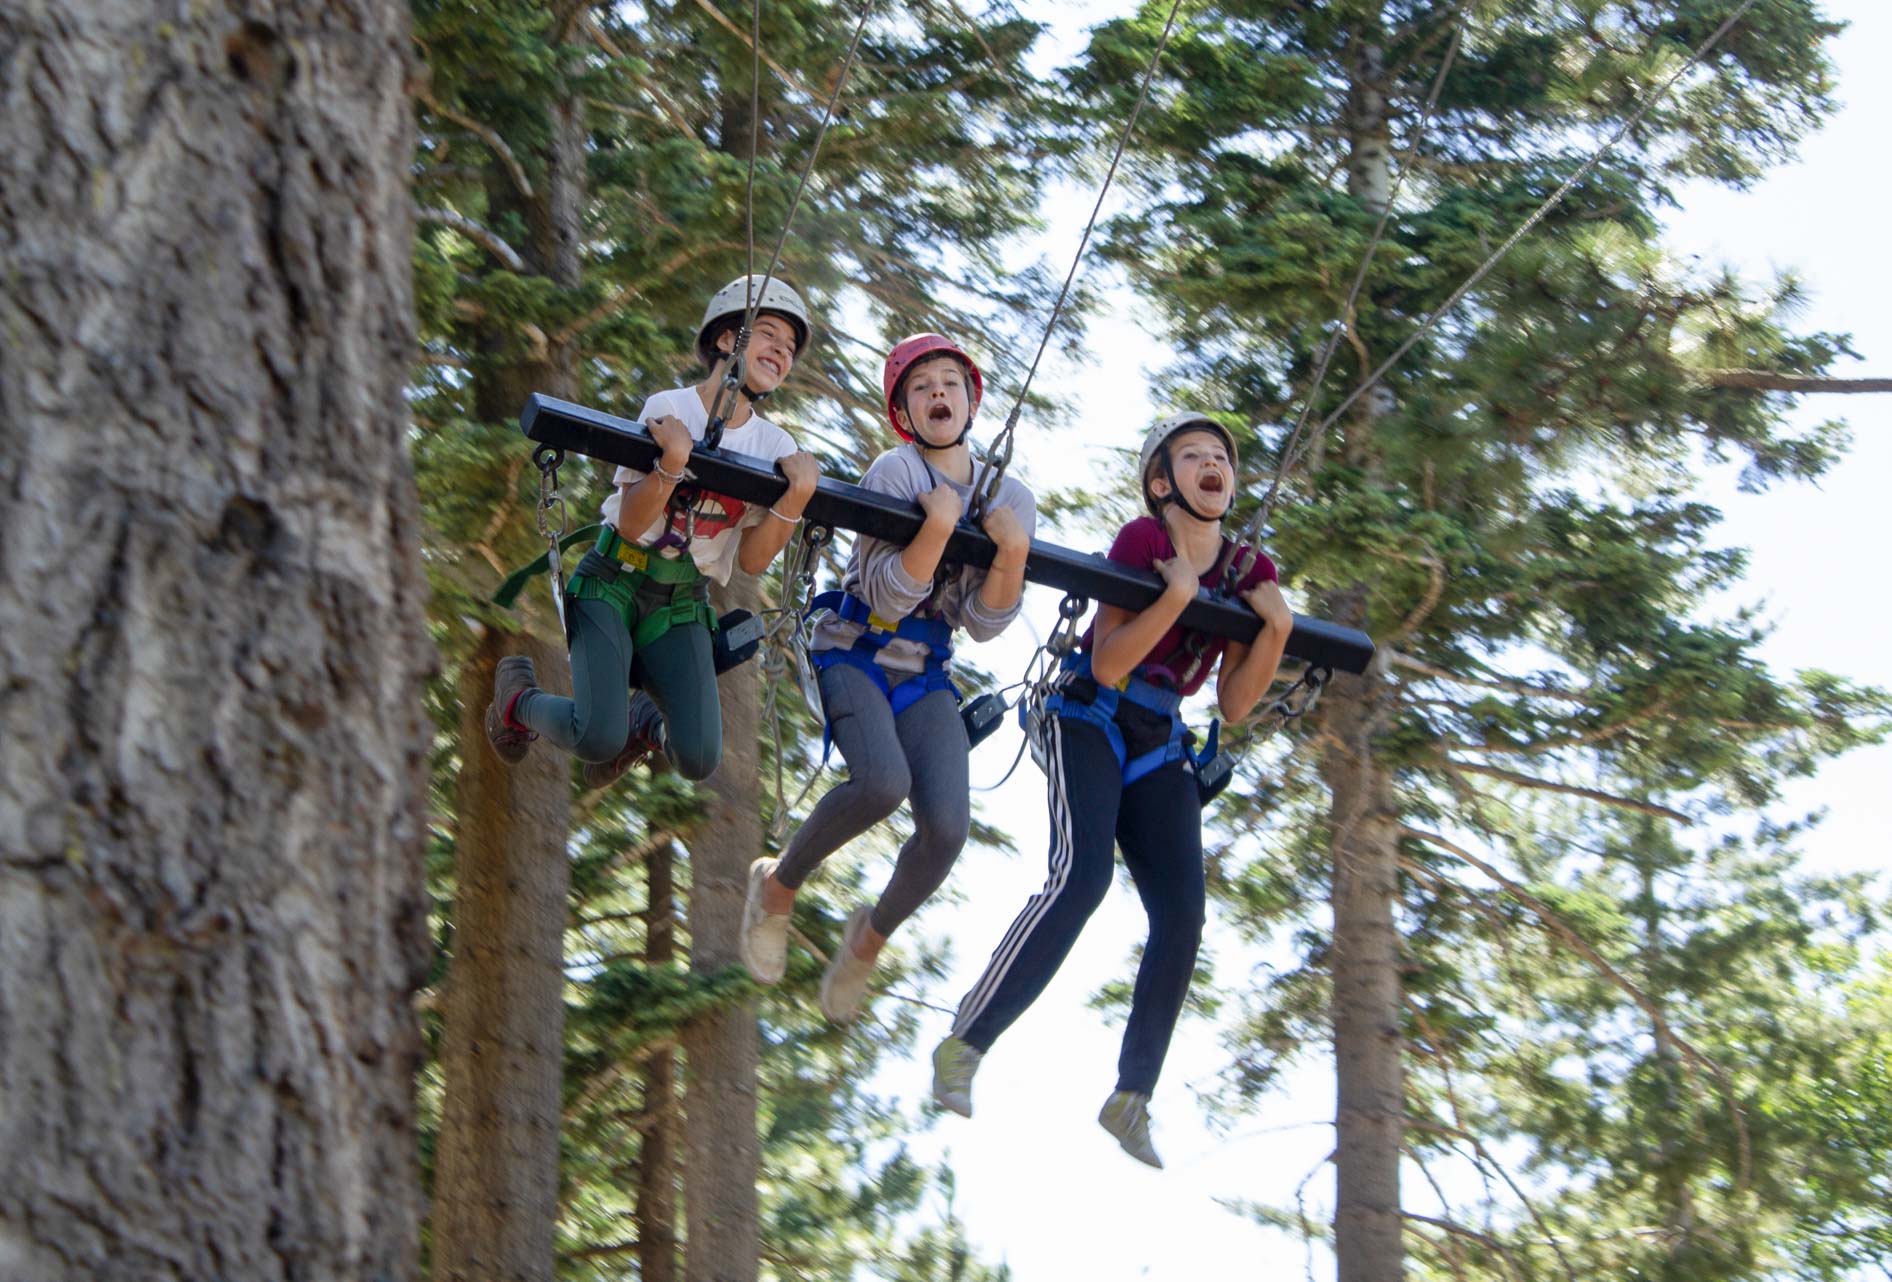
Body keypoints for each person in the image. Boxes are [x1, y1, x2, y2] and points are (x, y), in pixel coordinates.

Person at [930, 414, 1294, 1168]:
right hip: (1090, 714)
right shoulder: (1143, 540)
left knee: (1183, 915)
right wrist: (1174, 598)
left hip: (1160, 736)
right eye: (1193, 456)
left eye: (1222, 456)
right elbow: (1106, 662)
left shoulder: (1247, 568)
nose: (1213, 464)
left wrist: (1277, 631)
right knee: (1082, 877)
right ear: (1162, 483)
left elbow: (1233, 703)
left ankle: (1132, 1095)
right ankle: (967, 1040)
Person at [738, 333, 1036, 1022]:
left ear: (971, 403)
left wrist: (1012, 553)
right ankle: (778, 886)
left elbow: (983, 623)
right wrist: (936, 531)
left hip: (925, 671)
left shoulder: (1008, 496)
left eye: (950, 383)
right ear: (904, 412)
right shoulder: (895, 472)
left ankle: (867, 942)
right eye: (922, 387)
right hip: (856, 650)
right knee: (880, 783)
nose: (938, 394)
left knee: (947, 828)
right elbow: (884, 597)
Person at [484, 275, 821, 784]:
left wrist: (793, 501)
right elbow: (632, 522)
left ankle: (645, 723)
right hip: (614, 580)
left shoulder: (775, 447)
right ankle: (518, 701)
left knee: (699, 757)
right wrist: (671, 465)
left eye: (790, 347)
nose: (781, 350)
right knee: (596, 737)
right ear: (726, 339)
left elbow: (752, 561)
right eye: (768, 334)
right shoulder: (672, 407)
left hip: (681, 601)